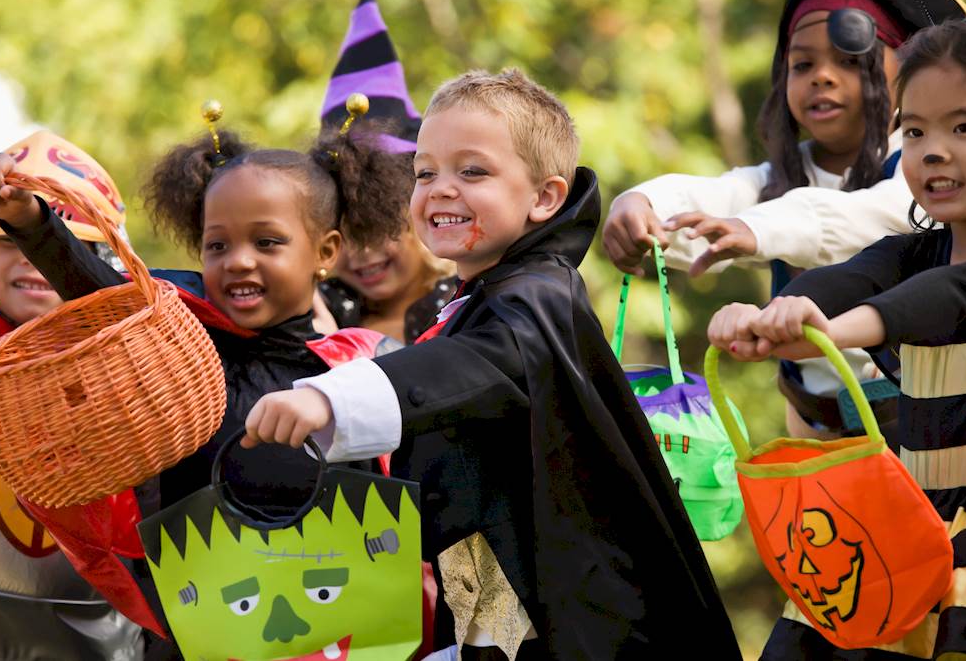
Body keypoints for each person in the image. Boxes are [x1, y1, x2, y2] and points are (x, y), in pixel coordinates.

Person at [241, 68, 742, 660]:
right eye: (424, 172)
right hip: (491, 596)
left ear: (545, 197)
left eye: (472, 170)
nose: (441, 188)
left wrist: (328, 398)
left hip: (577, 618)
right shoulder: (480, 298)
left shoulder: (537, 298)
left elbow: (478, 362)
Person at [0, 119, 410, 651]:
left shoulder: (359, 377)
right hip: (190, 635)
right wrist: (28, 220)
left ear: (326, 252)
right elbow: (98, 289)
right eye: (217, 245)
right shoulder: (175, 336)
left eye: (267, 242)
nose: (239, 260)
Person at [708, 18, 966, 659]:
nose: (933, 150)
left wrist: (832, 330)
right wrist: (762, 320)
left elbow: (936, 303)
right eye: (914, 131)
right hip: (904, 530)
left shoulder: (937, 284)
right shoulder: (906, 252)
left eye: (964, 127)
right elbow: (841, 282)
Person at [604, 0, 966, 439]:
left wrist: (757, 228)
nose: (824, 78)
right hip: (815, 434)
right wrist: (642, 205)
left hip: (915, 430)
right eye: (802, 65)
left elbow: (873, 218)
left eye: (850, 60)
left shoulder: (913, 175)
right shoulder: (779, 181)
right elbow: (718, 197)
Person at [0, 130, 143, 660]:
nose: (29, 260)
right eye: (6, 241)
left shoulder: (132, 360)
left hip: (106, 632)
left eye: (40, 244)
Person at [316, 0, 457, 344]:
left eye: (376, 227)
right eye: (346, 233)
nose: (363, 252)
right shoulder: (316, 314)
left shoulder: (465, 312)